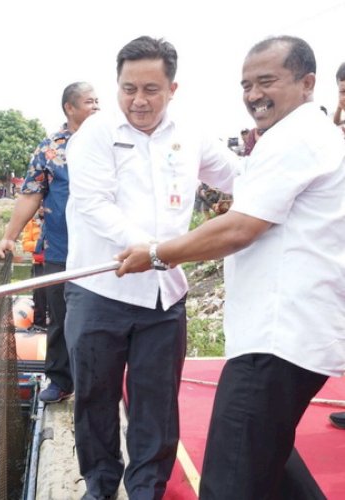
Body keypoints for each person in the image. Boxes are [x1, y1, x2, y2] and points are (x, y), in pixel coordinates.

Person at [115, 35, 345, 499]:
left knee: (229, 478)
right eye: (246, 85)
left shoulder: (296, 138)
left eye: (266, 81)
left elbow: (240, 229)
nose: (254, 95)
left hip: (278, 340)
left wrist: (158, 253)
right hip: (288, 334)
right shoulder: (303, 136)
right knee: (269, 457)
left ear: (307, 83)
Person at [65, 36, 239, 499]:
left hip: (166, 296)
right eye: (128, 89)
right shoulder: (95, 135)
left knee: (156, 403)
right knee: (95, 398)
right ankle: (100, 486)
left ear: (172, 88)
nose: (138, 101)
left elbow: (240, 176)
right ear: (117, 85)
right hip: (100, 290)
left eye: (150, 89)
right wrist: (150, 249)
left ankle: (147, 489)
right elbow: (93, 205)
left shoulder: (190, 134)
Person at [0, 81, 100, 404]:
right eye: (89, 101)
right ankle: (60, 380)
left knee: (100, 317)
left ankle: (97, 382)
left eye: (98, 101)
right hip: (60, 248)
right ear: (70, 108)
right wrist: (9, 236)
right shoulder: (50, 149)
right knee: (59, 316)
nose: (97, 107)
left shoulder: (110, 140)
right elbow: (31, 195)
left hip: (102, 250)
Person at [20, 206, 47, 330]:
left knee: (55, 294)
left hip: (55, 263)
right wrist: (41, 245)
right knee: (39, 295)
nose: (42, 208)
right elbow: (26, 244)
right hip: (38, 264)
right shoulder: (31, 223)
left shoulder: (56, 221)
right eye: (39, 205)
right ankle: (39, 324)